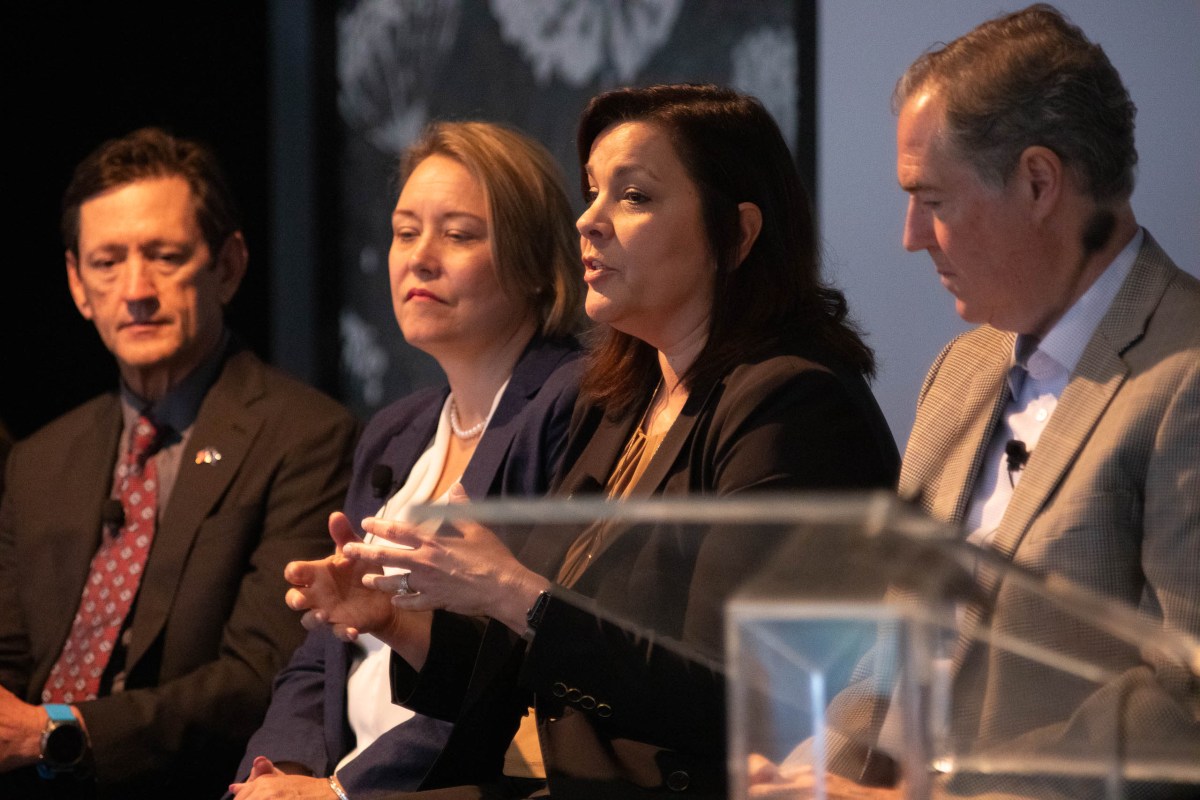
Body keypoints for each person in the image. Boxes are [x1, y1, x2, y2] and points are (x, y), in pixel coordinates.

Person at [288, 83, 899, 798]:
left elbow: (737, 701)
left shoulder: (791, 405)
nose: (589, 222)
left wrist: (515, 591)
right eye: (591, 193)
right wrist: (397, 622)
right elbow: (531, 672)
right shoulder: (622, 400)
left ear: (737, 234)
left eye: (634, 197)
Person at [750, 5, 1199, 798]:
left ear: (1037, 182)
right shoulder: (960, 371)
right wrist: (818, 770)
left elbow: (1186, 699)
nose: (911, 235)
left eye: (934, 199)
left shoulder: (1183, 375)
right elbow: (896, 645)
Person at [227, 121, 585, 800]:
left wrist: (343, 792)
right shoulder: (397, 433)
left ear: (537, 264)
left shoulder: (570, 407)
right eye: (404, 231)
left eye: (458, 234)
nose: (419, 258)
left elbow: (507, 674)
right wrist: (281, 774)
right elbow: (321, 656)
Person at [0, 128, 358, 799]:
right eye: (107, 263)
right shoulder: (40, 461)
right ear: (79, 285)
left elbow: (260, 677)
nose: (137, 290)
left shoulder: (307, 437)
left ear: (227, 266)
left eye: (164, 257)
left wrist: (60, 730)